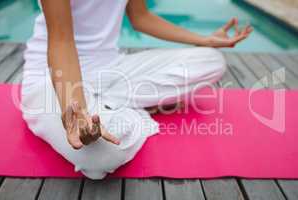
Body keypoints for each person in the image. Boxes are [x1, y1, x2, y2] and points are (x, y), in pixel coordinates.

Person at [21, 0, 252, 179]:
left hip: (112, 71)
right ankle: (131, 109)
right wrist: (77, 109)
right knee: (101, 157)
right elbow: (62, 41)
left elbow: (141, 17)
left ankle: (111, 107)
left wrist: (205, 40)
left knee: (210, 60)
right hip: (54, 78)